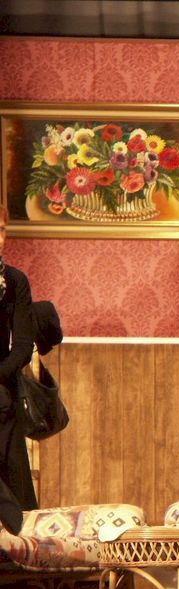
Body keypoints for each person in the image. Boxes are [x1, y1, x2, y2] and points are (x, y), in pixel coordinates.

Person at [0, 202, 37, 536]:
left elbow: (23, 346)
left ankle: (20, 541)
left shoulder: (14, 281)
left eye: (1, 230)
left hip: (2, 383)